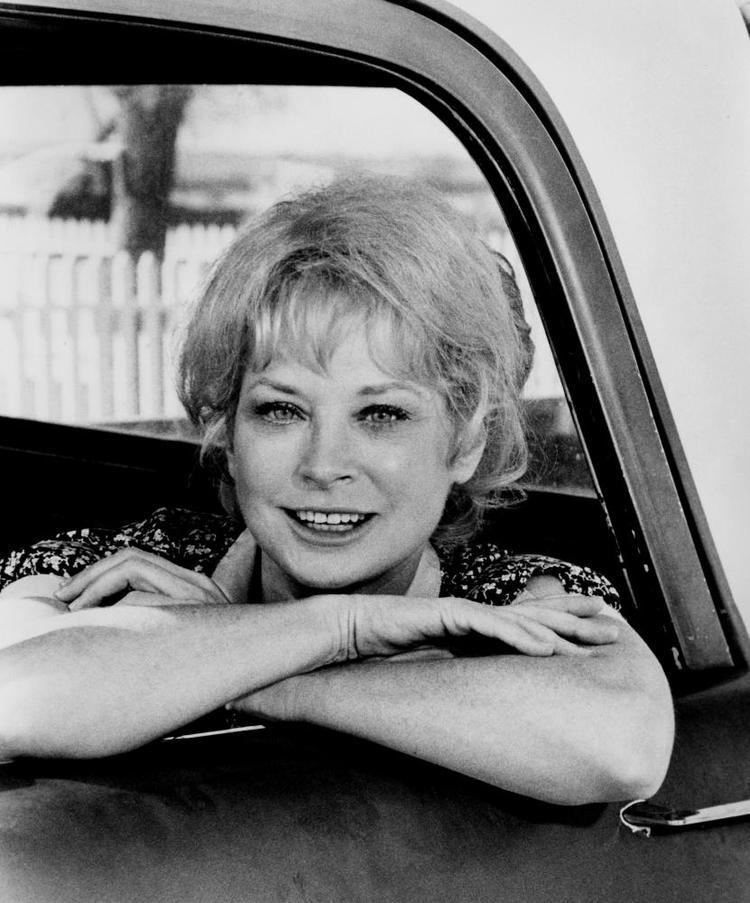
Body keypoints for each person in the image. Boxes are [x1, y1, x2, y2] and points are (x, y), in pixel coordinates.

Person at [0, 176, 673, 805]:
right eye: (281, 410)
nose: (325, 463)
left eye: (381, 414)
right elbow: (12, 698)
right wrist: (339, 626)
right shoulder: (135, 560)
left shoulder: (508, 595)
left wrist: (282, 678)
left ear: (466, 441)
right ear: (227, 433)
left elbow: (624, 739)